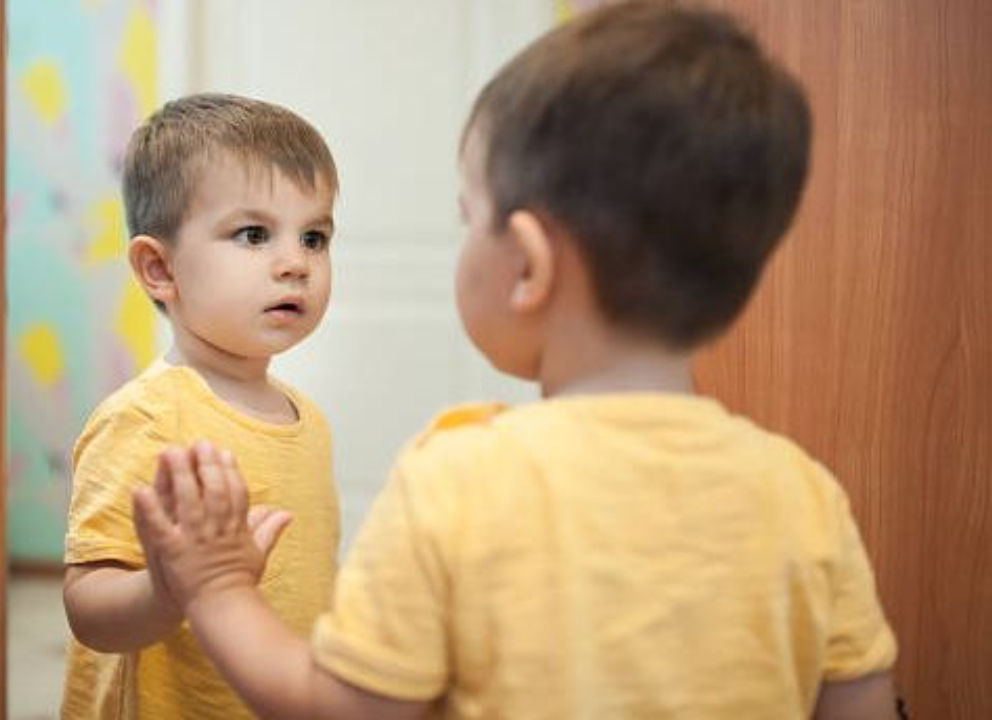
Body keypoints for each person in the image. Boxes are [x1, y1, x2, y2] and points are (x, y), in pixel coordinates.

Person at [131, 3, 899, 719]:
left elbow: (350, 708)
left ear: (527, 265)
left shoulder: (454, 482)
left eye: (469, 218)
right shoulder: (806, 497)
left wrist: (219, 586)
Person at [60, 93, 342, 719]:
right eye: (253, 234)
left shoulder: (309, 422)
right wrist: (169, 590)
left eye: (315, 236)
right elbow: (88, 610)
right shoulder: (147, 418)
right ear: (159, 269)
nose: (296, 263)